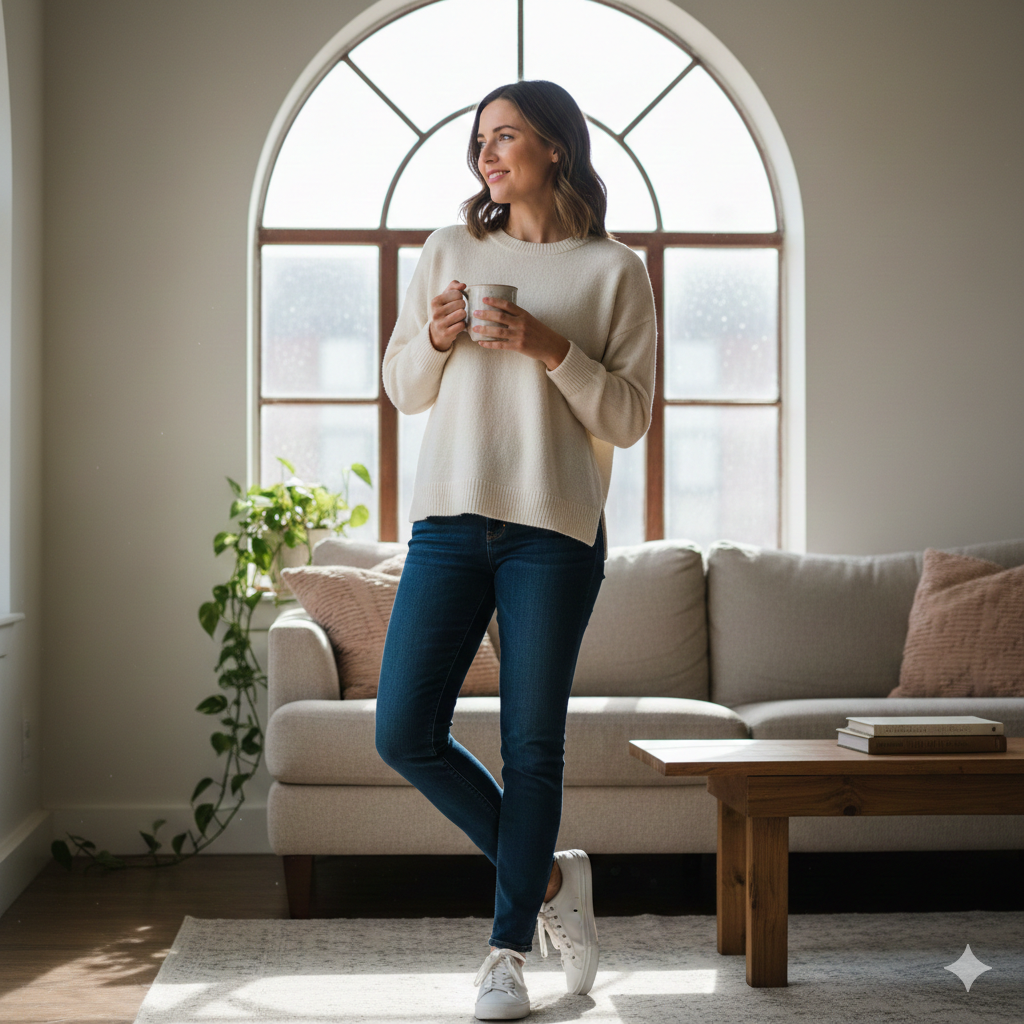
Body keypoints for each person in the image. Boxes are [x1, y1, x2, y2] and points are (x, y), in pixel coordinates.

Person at [375, 79, 657, 1020]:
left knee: (532, 745)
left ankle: (506, 954)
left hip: (556, 531)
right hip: (450, 521)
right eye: (481, 138)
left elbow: (629, 414)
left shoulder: (614, 270)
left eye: (507, 137)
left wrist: (548, 346)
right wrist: (437, 335)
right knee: (403, 729)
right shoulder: (450, 251)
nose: (487, 153)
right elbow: (405, 388)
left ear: (556, 151)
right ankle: (545, 883)